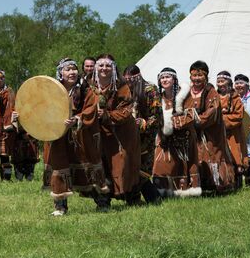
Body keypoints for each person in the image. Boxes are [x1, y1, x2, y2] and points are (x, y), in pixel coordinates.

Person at [45, 58, 109, 215]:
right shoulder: (52, 91)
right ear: (60, 73)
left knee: (88, 168)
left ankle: (102, 203)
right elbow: (43, 109)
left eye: (74, 69)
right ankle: (60, 206)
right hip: (58, 136)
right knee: (59, 168)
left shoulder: (86, 90)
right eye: (67, 69)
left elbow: (91, 108)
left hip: (80, 137)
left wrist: (76, 119)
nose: (72, 72)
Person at [171, 61, 235, 194]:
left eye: (199, 75)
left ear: (205, 76)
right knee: (193, 157)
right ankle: (194, 185)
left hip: (209, 134)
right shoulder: (185, 92)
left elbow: (212, 112)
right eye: (193, 75)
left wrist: (195, 120)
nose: (196, 78)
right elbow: (178, 109)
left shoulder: (211, 92)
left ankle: (216, 185)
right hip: (191, 133)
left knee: (210, 155)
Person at [89, 54, 141, 209]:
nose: (104, 68)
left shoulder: (122, 86)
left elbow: (126, 110)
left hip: (122, 134)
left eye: (107, 65)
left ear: (113, 68)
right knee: (99, 166)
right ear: (96, 67)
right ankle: (103, 203)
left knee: (123, 165)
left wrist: (106, 115)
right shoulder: (89, 85)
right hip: (98, 134)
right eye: (101, 65)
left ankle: (132, 198)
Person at [151, 67, 201, 197]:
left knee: (181, 165)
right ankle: (162, 192)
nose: (164, 80)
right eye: (162, 77)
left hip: (183, 136)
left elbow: (191, 115)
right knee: (161, 163)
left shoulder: (184, 95)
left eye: (167, 77)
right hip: (164, 137)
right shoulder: (158, 98)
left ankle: (183, 191)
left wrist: (173, 122)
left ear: (174, 79)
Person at [124, 65, 163, 204]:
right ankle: (133, 200)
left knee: (142, 171)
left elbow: (157, 116)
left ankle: (154, 199)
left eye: (131, 79)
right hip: (129, 137)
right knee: (130, 169)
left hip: (145, 137)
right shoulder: (125, 91)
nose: (129, 83)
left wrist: (142, 124)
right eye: (126, 80)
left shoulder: (150, 90)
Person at [216, 71, 247, 189]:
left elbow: (239, 115)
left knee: (235, 155)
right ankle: (223, 183)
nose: (220, 84)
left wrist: (223, 119)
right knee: (220, 156)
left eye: (222, 81)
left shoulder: (235, 98)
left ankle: (237, 184)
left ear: (228, 82)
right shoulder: (214, 96)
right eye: (218, 82)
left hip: (233, 133)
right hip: (218, 133)